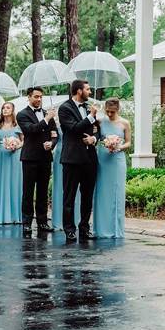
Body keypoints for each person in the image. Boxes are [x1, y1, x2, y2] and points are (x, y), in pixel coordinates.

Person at [58, 79, 100, 242]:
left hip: (90, 159)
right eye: (88, 89)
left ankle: (84, 228)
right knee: (69, 196)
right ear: (79, 91)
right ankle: (69, 229)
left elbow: (98, 131)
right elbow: (74, 128)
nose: (90, 92)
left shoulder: (90, 108)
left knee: (87, 196)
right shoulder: (65, 108)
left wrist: (94, 139)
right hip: (72, 159)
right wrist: (90, 117)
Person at [17, 88, 58, 237]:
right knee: (28, 191)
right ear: (29, 97)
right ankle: (27, 223)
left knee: (42, 191)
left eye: (41, 97)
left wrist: (51, 143)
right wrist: (46, 119)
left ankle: (42, 221)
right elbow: (31, 130)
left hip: (45, 157)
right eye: (36, 96)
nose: (39, 99)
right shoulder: (22, 114)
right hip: (29, 157)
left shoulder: (48, 114)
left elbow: (55, 134)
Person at [93, 98, 130, 239]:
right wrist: (105, 143)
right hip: (103, 159)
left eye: (112, 112)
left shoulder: (125, 123)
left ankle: (116, 229)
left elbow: (128, 142)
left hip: (117, 159)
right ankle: (100, 229)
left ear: (118, 109)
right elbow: (97, 137)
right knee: (102, 192)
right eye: (107, 111)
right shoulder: (101, 121)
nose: (109, 114)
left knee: (117, 192)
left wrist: (119, 146)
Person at [0, 101, 24, 224]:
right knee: (2, 182)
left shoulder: (18, 125)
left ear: (12, 110)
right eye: (3, 108)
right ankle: (2, 215)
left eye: (8, 108)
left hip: (15, 156)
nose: (5, 110)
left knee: (14, 183)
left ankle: (15, 216)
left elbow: (23, 141)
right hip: (1, 156)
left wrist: (16, 145)